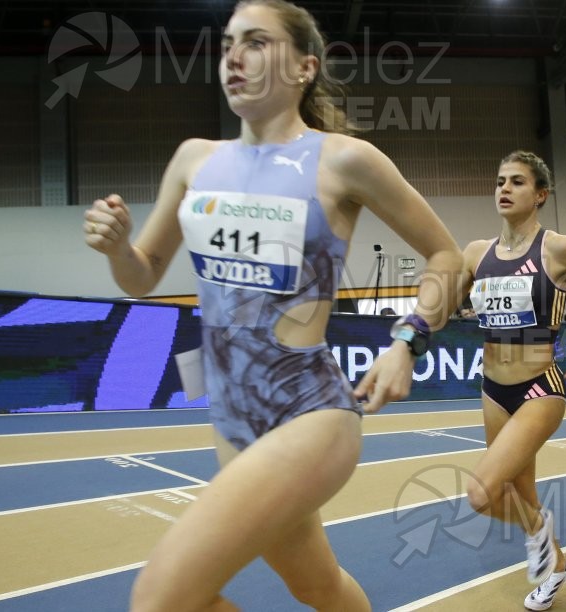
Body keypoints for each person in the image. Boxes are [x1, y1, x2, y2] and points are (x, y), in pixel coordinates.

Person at [83, 1, 463, 610]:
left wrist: (408, 341)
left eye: (256, 43)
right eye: (229, 42)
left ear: (304, 67)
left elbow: (447, 256)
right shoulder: (194, 160)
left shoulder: (343, 160)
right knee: (317, 587)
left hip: (310, 411)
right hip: (232, 422)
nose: (233, 57)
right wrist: (117, 247)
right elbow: (143, 276)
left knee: (160, 599)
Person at [458, 151, 566, 610]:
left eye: (517, 182)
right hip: (492, 390)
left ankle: (540, 535)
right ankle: (557, 566)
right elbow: (438, 307)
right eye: (500, 180)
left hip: (540, 387)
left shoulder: (557, 248)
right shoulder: (476, 253)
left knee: (482, 493)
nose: (504, 188)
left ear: (540, 195)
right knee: (521, 492)